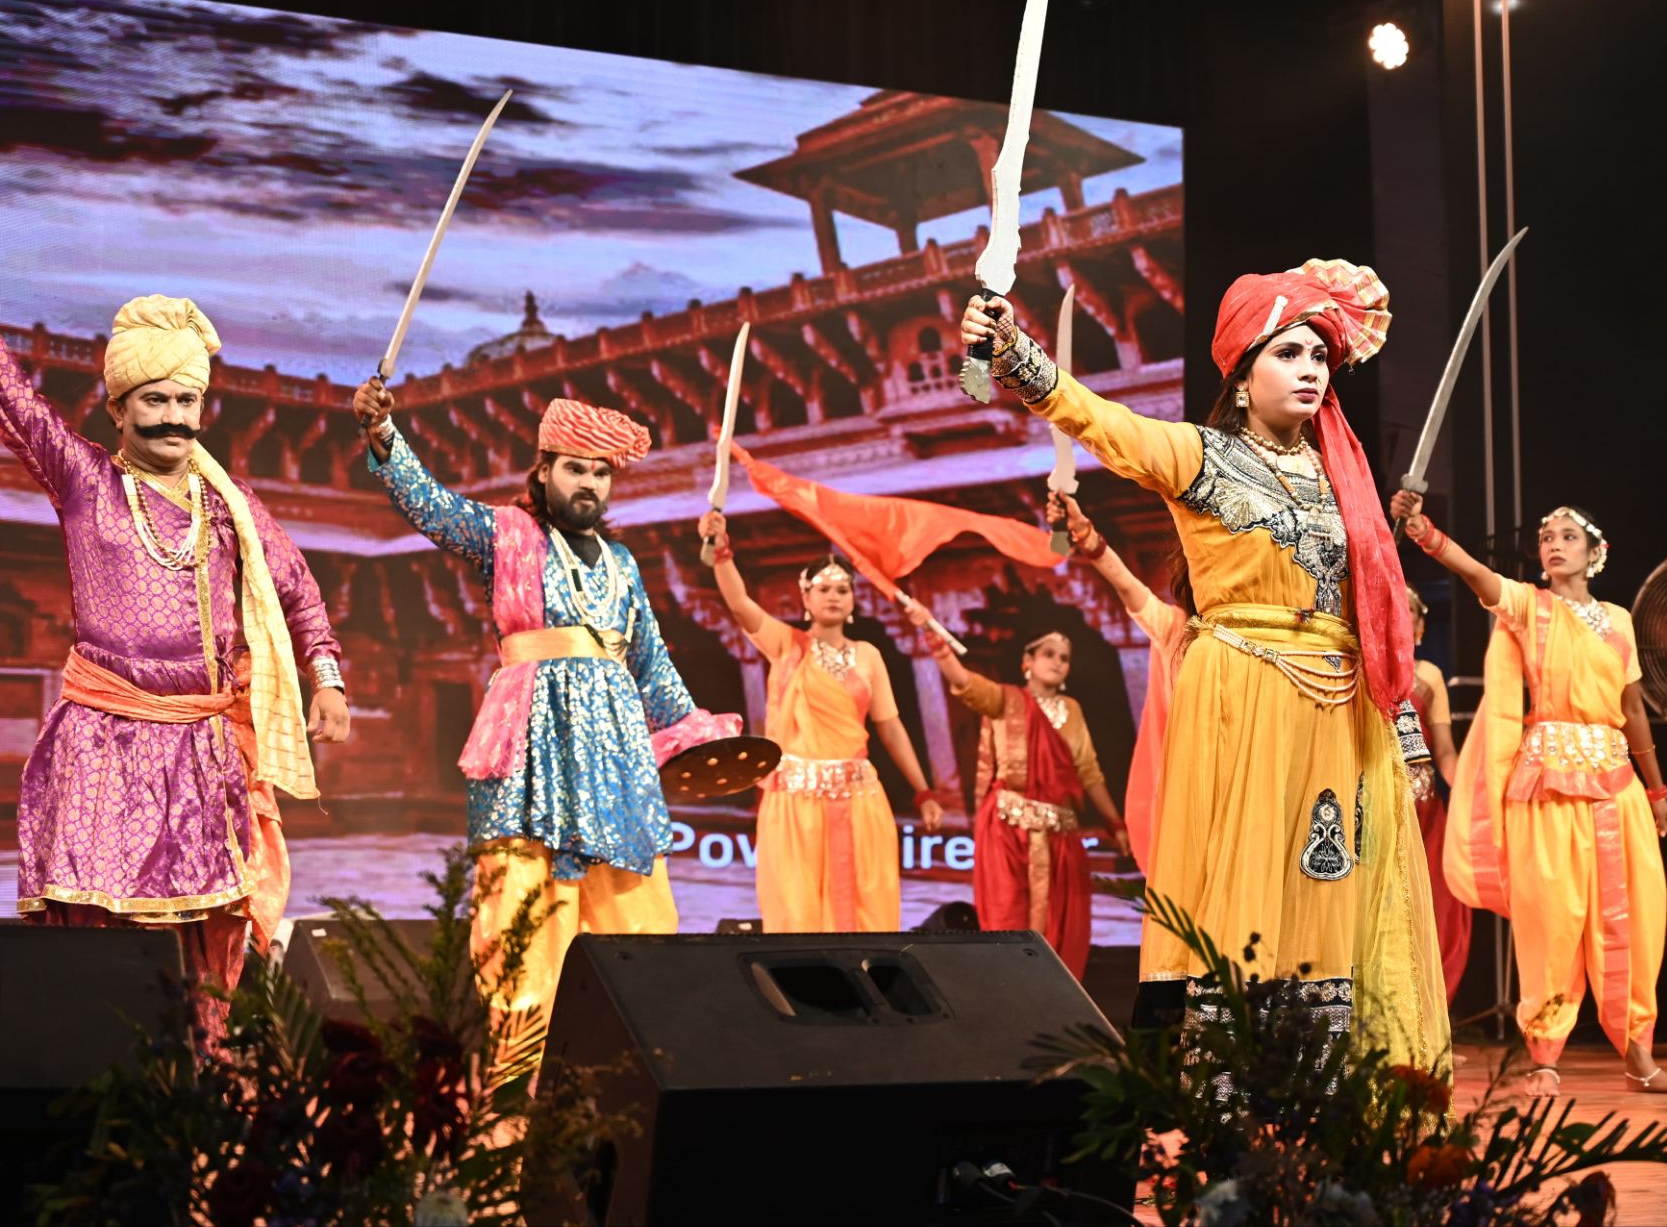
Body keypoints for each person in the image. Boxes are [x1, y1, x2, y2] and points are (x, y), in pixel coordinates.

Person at [958, 259, 1448, 1068]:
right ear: (1243, 376)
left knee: (1328, 879)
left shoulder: (1343, 481)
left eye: (1319, 356)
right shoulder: (1200, 456)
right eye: (1288, 353)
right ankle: (1231, 1082)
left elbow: (1372, 612)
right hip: (1243, 692)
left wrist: (1403, 726)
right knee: (1243, 881)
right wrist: (1013, 350)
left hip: (1339, 707)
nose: (1311, 370)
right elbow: (1099, 420)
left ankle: (1322, 1085)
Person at [0, 217, 350, 1043]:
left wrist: (325, 676)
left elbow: (298, 590)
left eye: (187, 401)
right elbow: (7, 396)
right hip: (105, 740)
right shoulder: (85, 481)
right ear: (117, 407)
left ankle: (202, 1079)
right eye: (155, 400)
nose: (174, 418)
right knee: (100, 929)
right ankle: (98, 1084)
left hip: (204, 747)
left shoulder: (230, 507)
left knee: (208, 939)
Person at [354, 377, 735, 1032]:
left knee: (637, 926)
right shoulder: (508, 537)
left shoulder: (622, 562)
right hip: (529, 760)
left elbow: (651, 662)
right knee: (523, 929)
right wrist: (384, 434)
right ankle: (518, 1083)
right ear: (543, 471)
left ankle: (627, 1068)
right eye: (574, 469)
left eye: (600, 472)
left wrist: (697, 735)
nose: (589, 483)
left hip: (616, 768)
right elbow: (434, 507)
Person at [1392, 492, 1667, 1094]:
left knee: (1635, 917)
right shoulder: (1528, 607)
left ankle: (1641, 1059)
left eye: (1567, 536)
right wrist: (1426, 533)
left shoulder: (1619, 621)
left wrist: (1658, 788)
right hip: (1549, 787)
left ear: (1595, 553)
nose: (1553, 545)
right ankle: (1545, 1059)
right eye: (1545, 538)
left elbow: (1633, 709)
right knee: (1552, 923)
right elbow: (1476, 574)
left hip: (1617, 786)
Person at [696, 511, 942, 931]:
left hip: (859, 798)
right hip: (796, 802)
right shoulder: (786, 645)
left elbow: (890, 727)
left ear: (853, 601)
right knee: (798, 912)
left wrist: (924, 792)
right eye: (823, 589)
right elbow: (739, 604)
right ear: (805, 599)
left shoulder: (868, 656)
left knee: (865, 909)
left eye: (843, 589)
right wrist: (721, 552)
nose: (834, 596)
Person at [909, 607, 1130, 980]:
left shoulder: (1072, 710)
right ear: (1027, 661)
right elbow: (963, 682)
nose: (1057, 662)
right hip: (1008, 836)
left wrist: (1115, 823)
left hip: (1060, 839)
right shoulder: (1006, 700)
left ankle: (1055, 1005)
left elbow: (1089, 772)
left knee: (1063, 930)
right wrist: (934, 638)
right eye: (1048, 654)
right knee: (1007, 919)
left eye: (1064, 658)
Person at [1042, 491, 1188, 869]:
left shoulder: (1254, 634)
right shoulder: (1175, 628)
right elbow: (1126, 585)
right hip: (1191, 782)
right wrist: (1087, 536)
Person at [1405, 585, 1472, 1003]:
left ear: (1420, 626)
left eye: (1409, 611)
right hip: (1372, 810)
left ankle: (1431, 1018)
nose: (1399, 616)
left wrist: (1471, 798)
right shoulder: (1358, 667)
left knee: (1434, 910)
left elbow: (1445, 751)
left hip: (1426, 814)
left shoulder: (1427, 676)